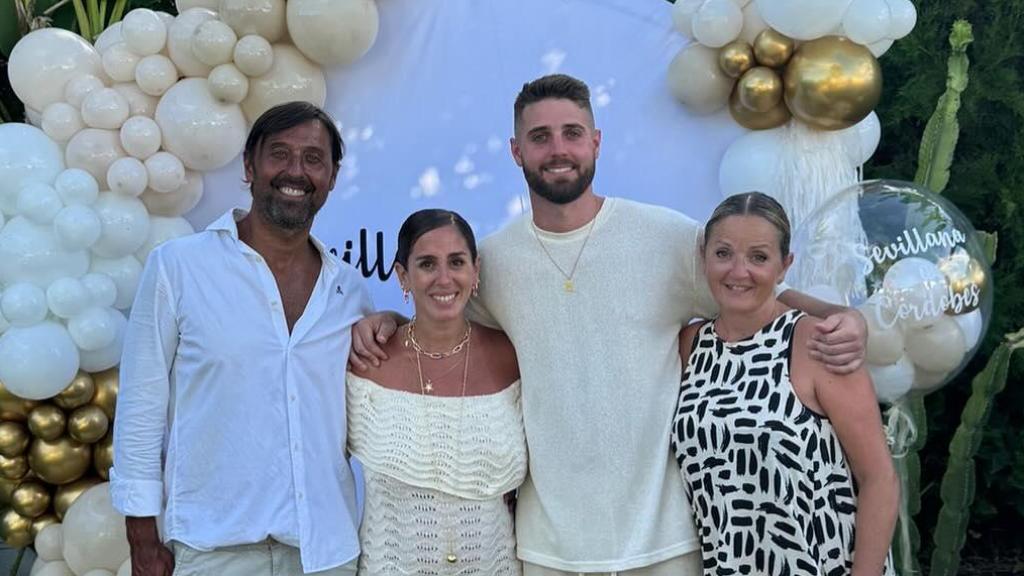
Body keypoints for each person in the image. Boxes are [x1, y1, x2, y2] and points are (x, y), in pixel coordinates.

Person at [350, 74, 868, 575]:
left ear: (596, 143)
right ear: (516, 151)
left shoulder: (665, 237)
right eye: (540, 137)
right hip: (549, 549)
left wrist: (838, 317)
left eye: (572, 133)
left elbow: (756, 293)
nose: (558, 149)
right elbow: (444, 317)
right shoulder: (496, 260)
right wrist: (391, 320)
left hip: (664, 543)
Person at [110, 102, 370, 576]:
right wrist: (142, 536)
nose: (296, 171)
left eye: (314, 158)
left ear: (332, 177)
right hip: (213, 552)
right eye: (280, 154)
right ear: (249, 166)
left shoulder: (349, 291)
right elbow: (141, 407)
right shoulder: (178, 267)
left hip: (327, 552)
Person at [672, 191, 898, 575]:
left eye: (758, 257)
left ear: (784, 266)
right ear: (703, 256)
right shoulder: (690, 346)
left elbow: (879, 478)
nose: (738, 271)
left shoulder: (817, 344)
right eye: (723, 253)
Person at [347, 208, 525, 574]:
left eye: (456, 262)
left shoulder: (514, 357)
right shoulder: (366, 362)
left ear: (475, 271)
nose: (444, 279)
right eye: (427, 264)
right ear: (402, 276)